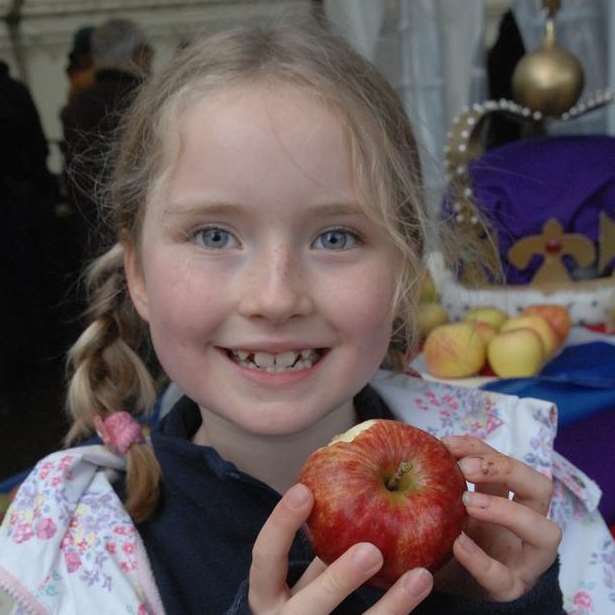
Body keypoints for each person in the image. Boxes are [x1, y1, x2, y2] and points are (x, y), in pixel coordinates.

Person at [0, 19, 588, 614]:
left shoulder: (501, 488)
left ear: (406, 270)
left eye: (335, 237)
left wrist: (512, 602)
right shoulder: (76, 559)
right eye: (213, 234)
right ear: (139, 275)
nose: (276, 298)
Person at [61, 18, 153, 262]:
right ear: (137, 53)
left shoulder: (77, 105)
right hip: (145, 223)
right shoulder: (150, 99)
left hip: (92, 228)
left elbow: (73, 175)